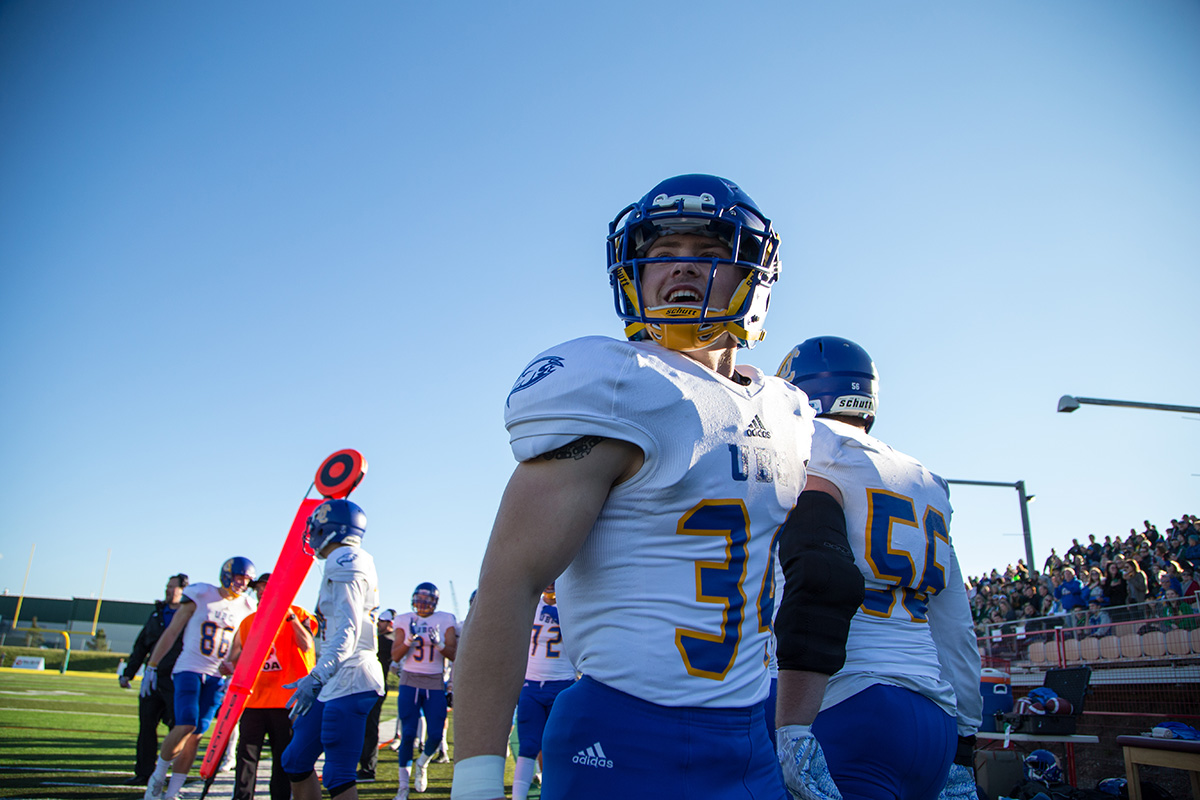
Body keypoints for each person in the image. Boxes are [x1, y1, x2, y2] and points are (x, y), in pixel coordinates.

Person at [451, 174, 851, 800]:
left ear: (752, 275)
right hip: (624, 738)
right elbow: (511, 578)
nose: (680, 269)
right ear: (632, 272)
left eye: (709, 254)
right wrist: (474, 783)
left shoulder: (790, 411)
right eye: (663, 253)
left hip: (750, 736)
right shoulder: (617, 384)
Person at [775, 336, 983, 800]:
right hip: (935, 719)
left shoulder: (809, 450)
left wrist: (791, 726)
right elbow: (956, 626)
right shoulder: (928, 481)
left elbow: (816, 579)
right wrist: (967, 732)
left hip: (844, 707)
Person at [280, 498, 386, 800]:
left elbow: (347, 633)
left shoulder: (344, 560)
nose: (311, 533)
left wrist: (316, 676)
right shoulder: (344, 559)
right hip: (336, 679)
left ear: (331, 528)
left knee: (338, 773)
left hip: (351, 677)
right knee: (295, 760)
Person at [143, 559, 258, 800]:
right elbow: (173, 630)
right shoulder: (201, 593)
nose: (242, 584)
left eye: (247, 580)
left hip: (217, 676)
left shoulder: (247, 605)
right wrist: (152, 665)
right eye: (239, 578)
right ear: (226, 575)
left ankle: (173, 792)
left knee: (196, 735)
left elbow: (237, 646)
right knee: (186, 723)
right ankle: (157, 776)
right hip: (189, 668)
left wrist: (234, 666)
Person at [223, 572, 318, 800]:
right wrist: (230, 664)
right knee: (246, 755)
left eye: (268, 588)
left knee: (281, 758)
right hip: (254, 699)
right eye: (259, 589)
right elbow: (233, 658)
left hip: (287, 701)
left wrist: (289, 617)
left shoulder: (300, 614)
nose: (262, 592)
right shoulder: (248, 621)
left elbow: (307, 644)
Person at [120, 574, 188, 786]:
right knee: (147, 727)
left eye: (172, 588)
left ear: (183, 591)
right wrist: (128, 673)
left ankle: (174, 775)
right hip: (153, 679)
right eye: (167, 587)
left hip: (177, 680)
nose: (168, 591)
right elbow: (142, 645)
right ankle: (143, 772)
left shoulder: (190, 615)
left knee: (177, 727)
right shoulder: (157, 614)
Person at [392, 582, 458, 798]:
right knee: (409, 733)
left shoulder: (445, 619)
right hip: (409, 680)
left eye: (426, 599)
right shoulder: (403, 619)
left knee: (437, 735)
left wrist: (438, 644)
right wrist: (409, 640)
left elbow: (454, 654)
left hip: (434, 681)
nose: (421, 603)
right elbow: (395, 655)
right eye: (418, 598)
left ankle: (423, 763)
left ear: (435, 601)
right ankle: (403, 787)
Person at [513, 583, 576, 800]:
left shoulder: (573, 606)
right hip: (531, 684)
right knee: (528, 745)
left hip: (562, 684)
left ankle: (554, 793)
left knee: (559, 747)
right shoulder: (531, 604)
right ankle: (518, 796)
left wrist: (563, 619)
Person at [359, 608, 396, 781]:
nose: (378, 623)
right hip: (371, 686)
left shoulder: (386, 641)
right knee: (366, 727)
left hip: (373, 687)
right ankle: (366, 765)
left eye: (381, 621)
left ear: (390, 623)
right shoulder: (389, 641)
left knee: (369, 728)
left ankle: (367, 768)